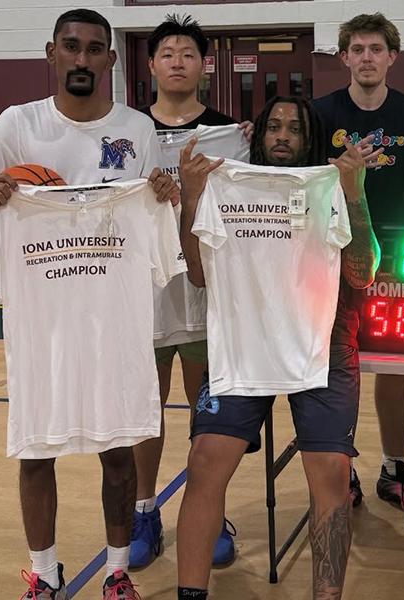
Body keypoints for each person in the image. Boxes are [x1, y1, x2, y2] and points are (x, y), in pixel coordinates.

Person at [0, 9, 180, 599]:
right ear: (51, 54)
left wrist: (166, 199)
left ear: (111, 59)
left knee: (119, 450)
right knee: (36, 449)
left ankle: (117, 572)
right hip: (41, 320)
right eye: (71, 48)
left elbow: (158, 222)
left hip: (115, 321)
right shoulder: (17, 126)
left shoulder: (137, 129)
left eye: (94, 49)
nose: (82, 59)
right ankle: (44, 575)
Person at [173, 95, 382, 600]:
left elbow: (362, 271)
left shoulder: (330, 184)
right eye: (274, 126)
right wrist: (192, 196)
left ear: (309, 138)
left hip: (324, 343)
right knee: (204, 460)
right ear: (259, 135)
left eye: (294, 127)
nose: (283, 134)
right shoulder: (228, 184)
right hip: (245, 342)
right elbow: (199, 273)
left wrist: (353, 195)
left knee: (331, 471)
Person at [312, 12, 404, 515]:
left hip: (394, 258)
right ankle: (338, 468)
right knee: (337, 369)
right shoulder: (321, 112)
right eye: (358, 49)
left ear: (392, 57)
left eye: (376, 49)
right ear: (344, 57)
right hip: (332, 255)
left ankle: (393, 466)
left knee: (393, 368)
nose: (366, 57)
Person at [129, 13, 245, 571]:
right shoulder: (124, 131)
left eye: (187, 53)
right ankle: (143, 510)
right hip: (145, 290)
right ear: (151, 65)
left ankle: (211, 510)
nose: (177, 61)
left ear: (205, 65)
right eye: (167, 53)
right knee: (145, 411)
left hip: (206, 291)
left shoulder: (231, 133)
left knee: (209, 419)